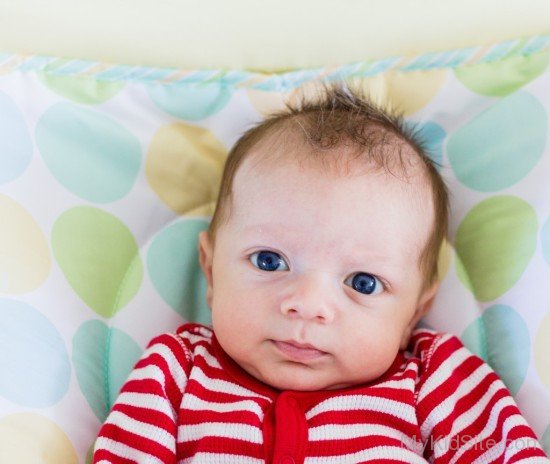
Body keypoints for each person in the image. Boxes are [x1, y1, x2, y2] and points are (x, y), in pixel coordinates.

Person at [93, 87, 549, 463]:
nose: (306, 304)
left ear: (415, 311)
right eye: (269, 261)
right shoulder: (178, 370)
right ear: (211, 271)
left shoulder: (433, 381)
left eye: (363, 283)